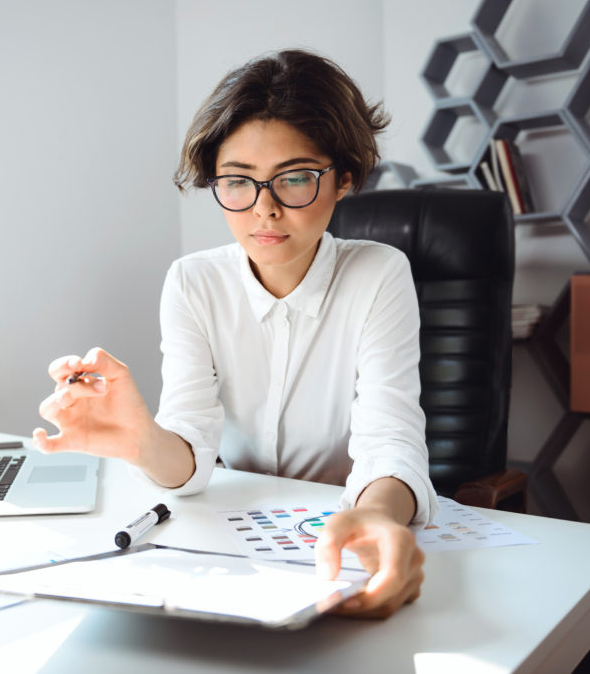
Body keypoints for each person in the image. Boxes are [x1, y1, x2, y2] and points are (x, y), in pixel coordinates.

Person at [33, 49, 437, 619]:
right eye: (238, 182)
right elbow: (191, 453)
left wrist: (376, 514)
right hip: (234, 543)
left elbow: (390, 441)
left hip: (342, 535)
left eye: (295, 179)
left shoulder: (379, 273)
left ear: (344, 178)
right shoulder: (193, 282)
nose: (264, 210)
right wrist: (141, 438)